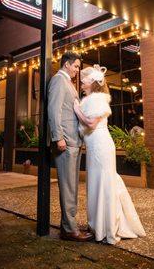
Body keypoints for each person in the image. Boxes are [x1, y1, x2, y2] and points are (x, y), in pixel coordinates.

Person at [73, 64, 146, 245]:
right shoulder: (90, 99)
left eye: (84, 81)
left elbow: (90, 123)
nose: (81, 84)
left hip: (100, 146)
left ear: (93, 83)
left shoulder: (97, 99)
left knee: (104, 183)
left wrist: (77, 110)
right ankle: (97, 225)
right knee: (97, 183)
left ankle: (107, 227)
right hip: (94, 147)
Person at [47, 51, 94, 242]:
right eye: (75, 66)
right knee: (68, 186)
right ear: (66, 64)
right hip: (65, 143)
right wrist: (58, 137)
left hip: (74, 142)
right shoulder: (59, 80)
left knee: (72, 186)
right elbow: (53, 109)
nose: (77, 70)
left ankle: (69, 225)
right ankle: (69, 229)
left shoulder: (68, 83)